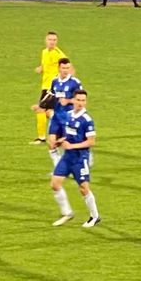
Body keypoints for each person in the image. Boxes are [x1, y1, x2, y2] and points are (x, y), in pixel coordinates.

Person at [50, 87, 100, 227]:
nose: (81, 103)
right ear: (73, 100)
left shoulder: (87, 120)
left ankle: (95, 216)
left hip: (80, 158)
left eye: (83, 100)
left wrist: (72, 146)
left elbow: (91, 141)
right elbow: (70, 135)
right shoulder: (69, 115)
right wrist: (60, 141)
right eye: (78, 100)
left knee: (84, 188)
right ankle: (67, 213)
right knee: (55, 184)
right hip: (67, 157)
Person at [31, 31, 70, 144]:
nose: (52, 42)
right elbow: (45, 64)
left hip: (52, 88)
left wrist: (64, 84)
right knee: (49, 113)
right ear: (46, 40)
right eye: (50, 40)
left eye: (54, 40)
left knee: (40, 109)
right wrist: (41, 68)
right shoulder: (44, 52)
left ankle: (41, 138)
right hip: (45, 85)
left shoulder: (59, 55)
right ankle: (64, 132)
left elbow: (69, 69)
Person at [44, 57, 83, 155]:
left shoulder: (75, 82)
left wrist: (68, 100)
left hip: (68, 116)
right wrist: (42, 106)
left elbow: (81, 100)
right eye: (63, 68)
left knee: (66, 143)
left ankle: (82, 159)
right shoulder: (55, 81)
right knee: (51, 142)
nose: (66, 70)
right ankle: (58, 168)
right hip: (56, 116)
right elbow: (51, 95)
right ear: (59, 68)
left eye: (67, 68)